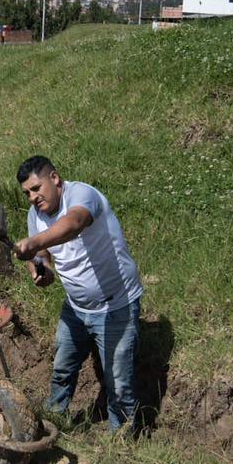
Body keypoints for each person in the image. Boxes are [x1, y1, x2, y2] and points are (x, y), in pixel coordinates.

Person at [12, 155, 143, 433]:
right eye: (27, 193)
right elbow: (43, 257)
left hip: (115, 306)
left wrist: (34, 243)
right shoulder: (35, 215)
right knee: (62, 368)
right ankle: (54, 420)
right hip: (76, 308)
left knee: (118, 383)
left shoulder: (82, 195)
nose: (33, 198)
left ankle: (122, 443)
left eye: (36, 189)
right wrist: (41, 269)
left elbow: (73, 225)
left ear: (55, 178)